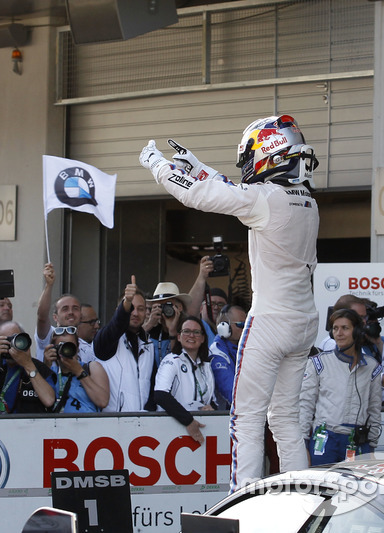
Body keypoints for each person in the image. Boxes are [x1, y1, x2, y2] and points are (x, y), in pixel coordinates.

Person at [140, 115, 320, 490]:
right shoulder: (306, 202)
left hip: (271, 320)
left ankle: (243, 501)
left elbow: (199, 195)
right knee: (286, 418)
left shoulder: (266, 198)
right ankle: (301, 495)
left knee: (246, 419)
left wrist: (157, 164)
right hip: (304, 321)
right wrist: (199, 166)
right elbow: (234, 189)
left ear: (268, 151)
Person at [299, 309, 382, 465]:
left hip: (357, 441)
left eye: (345, 328)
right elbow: (305, 406)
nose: (339, 333)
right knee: (322, 486)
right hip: (324, 440)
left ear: (357, 331)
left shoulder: (372, 367)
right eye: (335, 328)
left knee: (355, 488)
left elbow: (374, 411)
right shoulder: (318, 362)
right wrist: (303, 444)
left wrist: (371, 446)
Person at [93, 276, 155, 412]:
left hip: (142, 424)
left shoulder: (149, 344)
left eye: (141, 309)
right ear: (119, 310)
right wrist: (126, 302)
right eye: (131, 308)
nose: (135, 313)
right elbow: (116, 325)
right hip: (113, 423)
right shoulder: (108, 338)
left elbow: (152, 388)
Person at [154, 316, 215, 444]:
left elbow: (213, 400)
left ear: (203, 338)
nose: (191, 335)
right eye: (186, 331)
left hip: (201, 428)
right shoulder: (171, 360)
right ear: (179, 336)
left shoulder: (206, 366)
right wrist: (188, 420)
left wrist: (210, 408)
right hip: (173, 429)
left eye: (196, 332)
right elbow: (160, 395)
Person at [0, 321, 55, 414]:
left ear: (24, 340)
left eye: (15, 339)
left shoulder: (39, 368)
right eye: (6, 340)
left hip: (27, 425)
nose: (11, 345)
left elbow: (49, 400)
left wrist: (28, 364)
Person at [34, 263, 95, 364]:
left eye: (75, 308)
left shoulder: (88, 348)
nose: (70, 312)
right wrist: (49, 285)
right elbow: (42, 316)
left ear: (80, 315)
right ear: (55, 317)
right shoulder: (49, 336)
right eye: (65, 309)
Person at [46, 326, 109, 413]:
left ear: (78, 347)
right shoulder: (51, 372)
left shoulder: (91, 368)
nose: (66, 350)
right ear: (53, 348)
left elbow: (103, 401)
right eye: (62, 345)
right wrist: (45, 367)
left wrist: (79, 371)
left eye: (70, 346)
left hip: (88, 425)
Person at [209, 304, 247, 410]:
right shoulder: (217, 353)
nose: (246, 328)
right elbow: (232, 393)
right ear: (224, 327)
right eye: (241, 324)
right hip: (226, 417)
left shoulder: (242, 347)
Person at [143, 282, 189, 366]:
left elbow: (180, 361)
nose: (165, 309)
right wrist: (149, 324)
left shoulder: (188, 329)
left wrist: (172, 331)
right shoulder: (151, 331)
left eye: (168, 304)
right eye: (160, 306)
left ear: (180, 307)